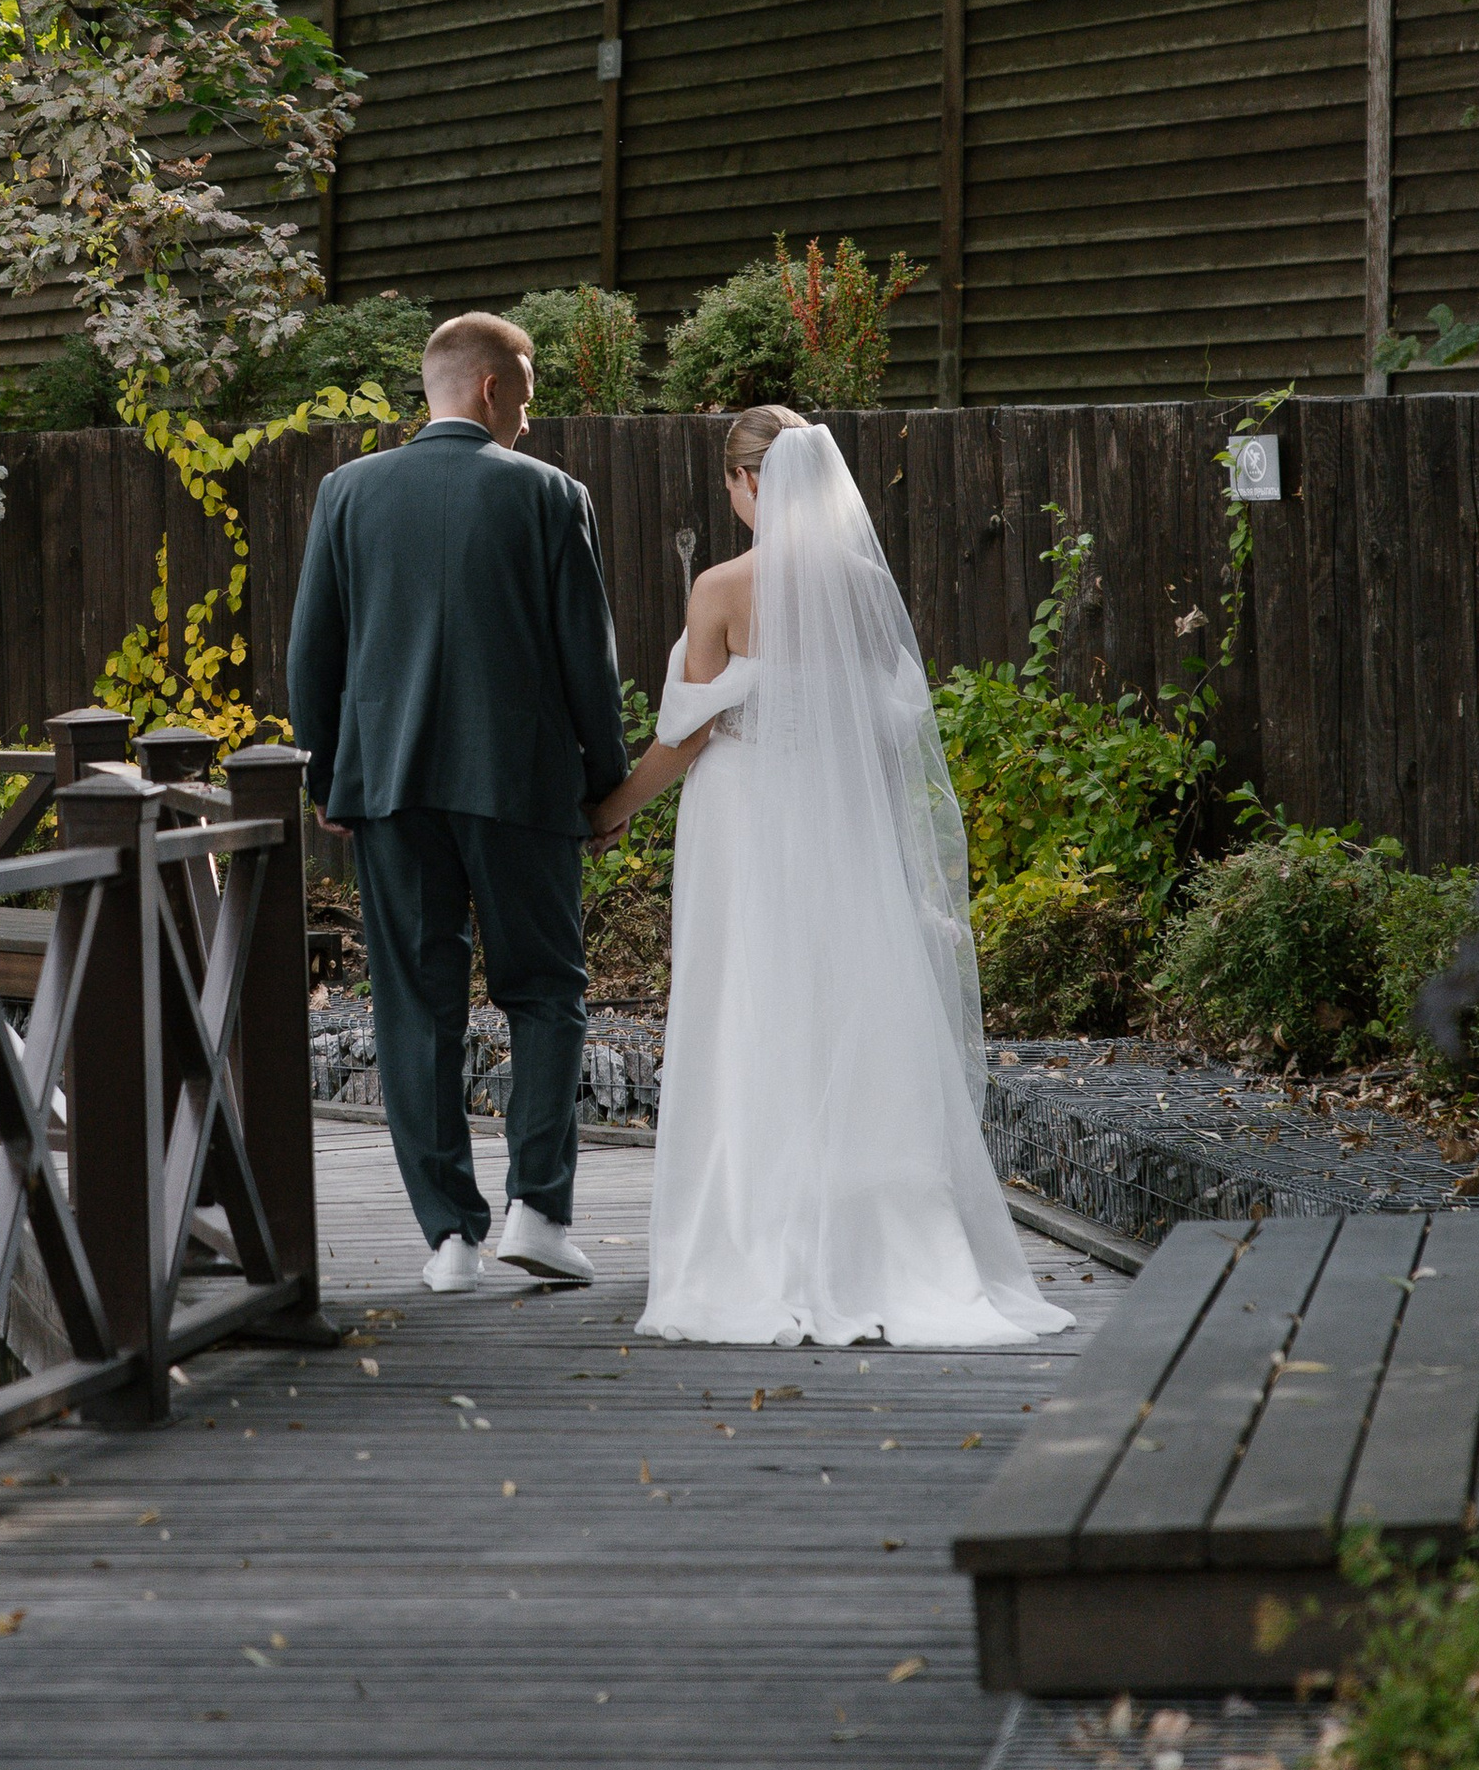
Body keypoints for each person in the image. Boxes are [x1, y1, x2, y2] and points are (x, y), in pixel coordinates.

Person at [631, 404, 1074, 1350]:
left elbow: (689, 732)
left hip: (748, 826)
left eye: (734, 483)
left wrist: (607, 812)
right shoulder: (862, 585)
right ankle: (879, 1232)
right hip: (840, 825)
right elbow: (886, 730)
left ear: (749, 484)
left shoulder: (721, 588)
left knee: (752, 1009)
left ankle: (762, 1231)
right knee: (847, 1009)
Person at [285, 310, 680, 1291]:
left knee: (415, 1009)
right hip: (521, 787)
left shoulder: (346, 493)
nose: (532, 424)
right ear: (493, 390)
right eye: (530, 402)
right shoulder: (550, 496)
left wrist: (327, 776)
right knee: (545, 997)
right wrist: (604, 785)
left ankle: (450, 1241)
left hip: (391, 787)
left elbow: (312, 656)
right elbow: (586, 658)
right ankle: (536, 1215)